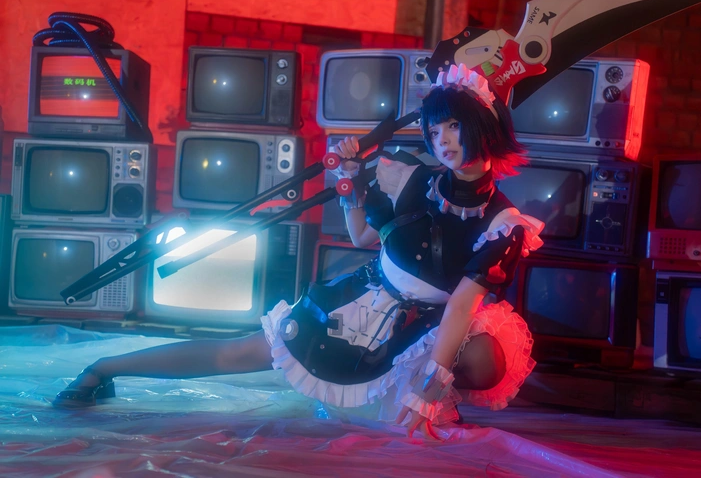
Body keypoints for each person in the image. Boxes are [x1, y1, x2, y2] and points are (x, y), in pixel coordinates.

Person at [53, 64, 544, 440]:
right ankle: (104, 369)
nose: (442, 141)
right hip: (363, 301)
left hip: (427, 327)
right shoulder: (411, 178)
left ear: (483, 127)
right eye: (435, 131)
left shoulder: (504, 223)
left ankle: (428, 395)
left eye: (454, 126)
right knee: (238, 353)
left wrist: (431, 387)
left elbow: (461, 306)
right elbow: (362, 237)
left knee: (487, 358)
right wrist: (348, 180)